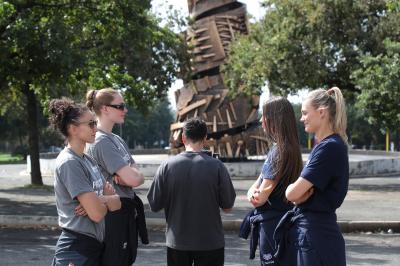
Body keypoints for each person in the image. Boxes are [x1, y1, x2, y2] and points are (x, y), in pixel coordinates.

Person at [274, 87, 349, 265]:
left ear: (321, 113)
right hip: (316, 234)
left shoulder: (329, 147)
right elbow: (296, 194)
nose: (301, 118)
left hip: (317, 237)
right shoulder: (328, 145)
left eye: (305, 113)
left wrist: (294, 193)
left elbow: (291, 194)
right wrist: (296, 194)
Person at [147, 118, 236, 266]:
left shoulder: (167, 166)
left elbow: (154, 205)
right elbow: (227, 207)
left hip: (178, 242)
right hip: (211, 242)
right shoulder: (218, 167)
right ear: (205, 138)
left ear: (183, 138)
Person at [49, 98, 121, 266]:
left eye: (95, 123)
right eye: (90, 124)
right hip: (76, 248)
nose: (96, 128)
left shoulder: (88, 159)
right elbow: (96, 214)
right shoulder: (70, 163)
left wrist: (101, 199)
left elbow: (117, 203)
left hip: (93, 246)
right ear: (73, 129)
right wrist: (102, 201)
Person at [85, 88, 147, 266]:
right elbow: (135, 180)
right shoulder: (101, 141)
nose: (125, 110)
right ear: (105, 109)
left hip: (124, 211)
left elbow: (136, 176)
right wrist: (131, 175)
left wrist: (131, 175)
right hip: (113, 215)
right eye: (120, 106)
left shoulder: (117, 140)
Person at [239, 97, 303, 265]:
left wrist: (252, 192)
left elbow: (258, 197)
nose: (261, 121)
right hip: (286, 224)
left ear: (274, 120)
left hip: (272, 227)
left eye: (264, 116)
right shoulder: (292, 148)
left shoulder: (278, 152)